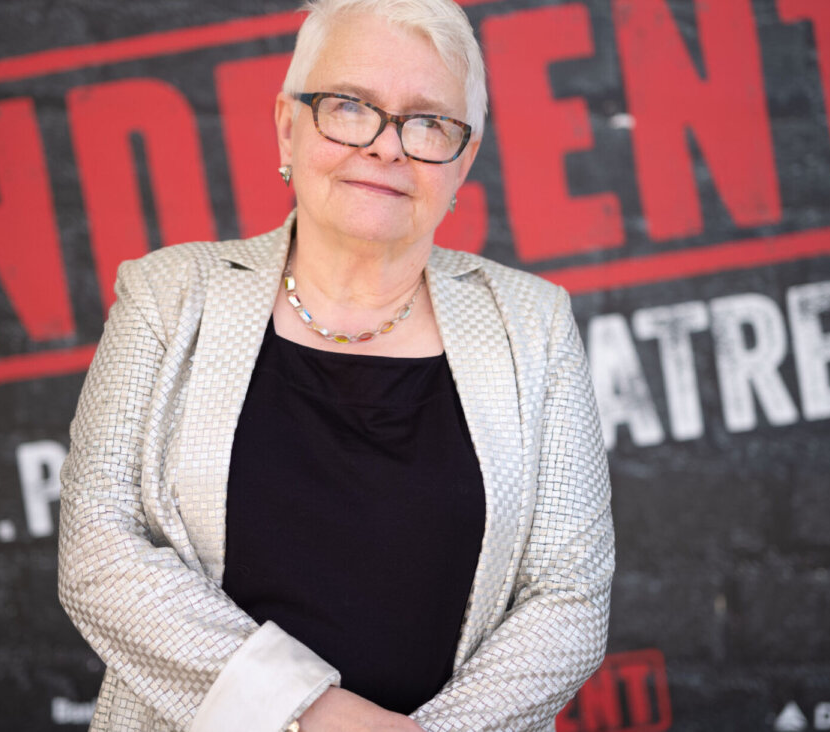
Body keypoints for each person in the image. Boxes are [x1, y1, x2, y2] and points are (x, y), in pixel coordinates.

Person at [57, 0, 614, 730]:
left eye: (427, 123)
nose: (387, 147)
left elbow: (570, 597)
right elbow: (99, 552)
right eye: (351, 106)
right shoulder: (168, 297)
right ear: (288, 124)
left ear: (463, 162)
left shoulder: (533, 325)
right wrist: (309, 713)